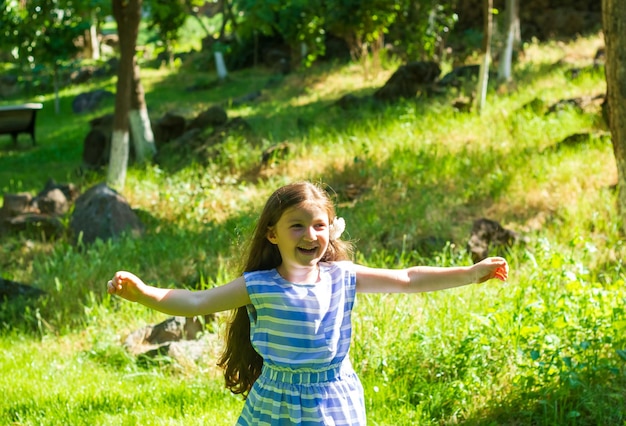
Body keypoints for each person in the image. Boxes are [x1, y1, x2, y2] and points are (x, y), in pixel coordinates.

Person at [107, 181, 509, 425]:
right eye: (296, 225)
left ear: (329, 231)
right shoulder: (259, 285)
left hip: (333, 399)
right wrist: (145, 293)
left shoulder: (344, 276)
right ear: (273, 235)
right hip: (277, 402)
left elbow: (408, 278)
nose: (309, 234)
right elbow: (197, 301)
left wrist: (470, 272)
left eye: (318, 225)